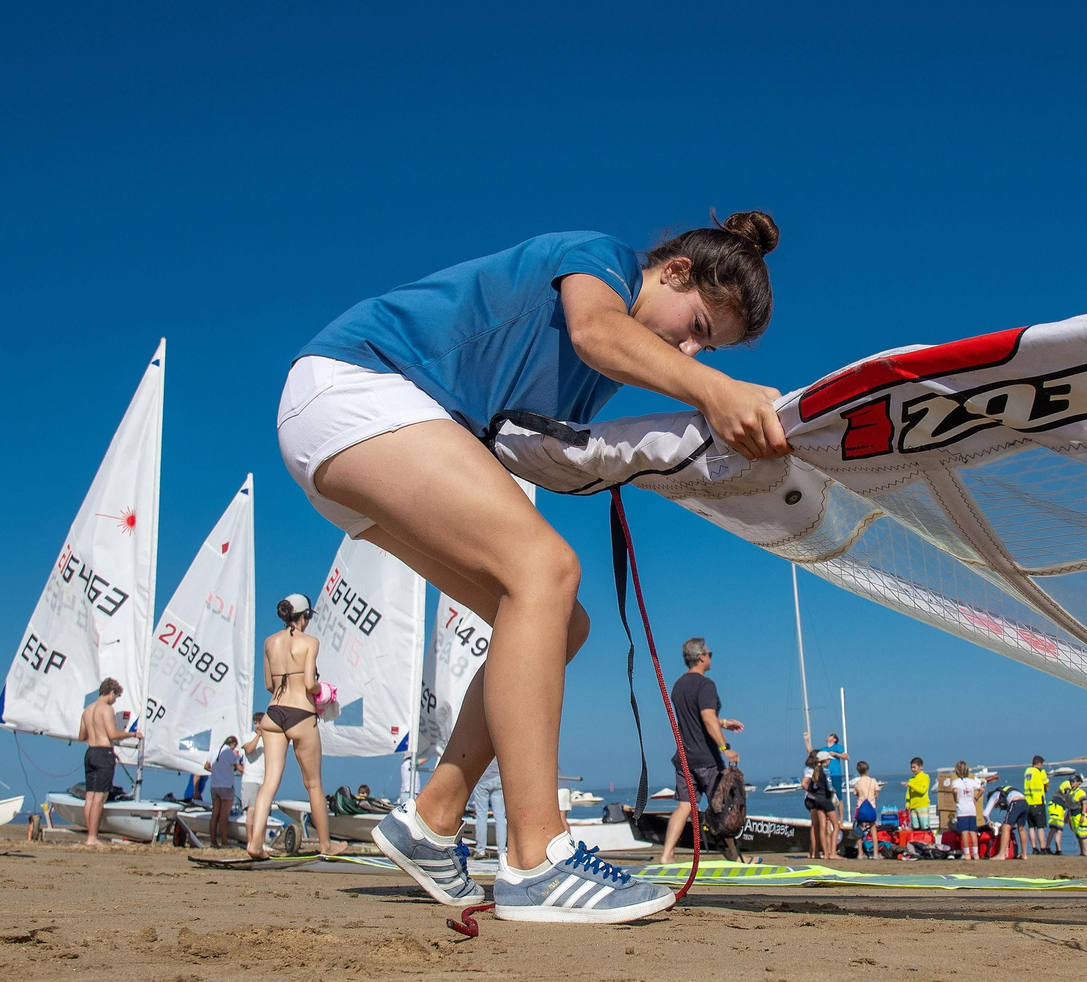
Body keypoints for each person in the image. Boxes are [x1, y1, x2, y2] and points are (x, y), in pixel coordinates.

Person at [284, 213, 785, 922]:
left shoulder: (595, 378)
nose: (693, 349)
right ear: (672, 272)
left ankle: (430, 820)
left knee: (562, 622)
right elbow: (596, 332)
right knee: (546, 568)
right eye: (699, 324)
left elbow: (537, 452)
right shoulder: (597, 259)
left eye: (710, 347)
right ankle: (536, 857)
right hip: (354, 389)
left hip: (356, 445)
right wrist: (716, 392)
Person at [244, 594, 346, 859]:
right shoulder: (310, 642)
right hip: (301, 714)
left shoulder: (269, 642)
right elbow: (311, 684)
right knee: (313, 784)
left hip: (273, 713)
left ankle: (255, 842)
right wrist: (326, 691)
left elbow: (269, 684)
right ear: (305, 616)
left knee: (269, 782)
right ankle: (326, 845)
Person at [659, 637, 745, 864]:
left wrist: (725, 722)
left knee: (685, 806)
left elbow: (696, 717)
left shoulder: (678, 685)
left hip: (685, 757)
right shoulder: (706, 685)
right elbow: (707, 718)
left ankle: (667, 855)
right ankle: (736, 858)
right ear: (701, 657)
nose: (710, 657)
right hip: (706, 758)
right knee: (722, 807)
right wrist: (725, 747)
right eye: (709, 653)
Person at [80, 677, 140, 846]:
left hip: (90, 752)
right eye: (116, 697)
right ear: (111, 692)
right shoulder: (106, 709)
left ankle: (89, 836)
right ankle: (93, 838)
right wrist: (133, 734)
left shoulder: (87, 710)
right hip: (103, 752)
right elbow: (113, 734)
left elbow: (81, 736)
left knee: (90, 796)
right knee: (100, 797)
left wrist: (94, 733)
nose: (115, 701)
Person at [204, 735, 244, 848]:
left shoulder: (214, 752)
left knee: (215, 814)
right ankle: (224, 842)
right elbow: (239, 768)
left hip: (215, 785)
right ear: (233, 745)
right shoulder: (230, 754)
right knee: (224, 816)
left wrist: (217, 771)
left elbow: (206, 766)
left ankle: (213, 841)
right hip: (226, 786)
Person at [802, 751, 839, 859]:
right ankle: (832, 853)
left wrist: (814, 793)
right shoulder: (826, 771)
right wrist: (833, 793)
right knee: (835, 826)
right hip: (825, 799)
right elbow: (829, 786)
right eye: (828, 760)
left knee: (821, 826)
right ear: (825, 761)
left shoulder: (815, 772)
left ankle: (825, 853)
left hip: (817, 799)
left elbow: (811, 786)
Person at [470, 758, 505, 860]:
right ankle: (502, 851)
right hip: (498, 777)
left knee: (481, 816)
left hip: (482, 778)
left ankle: (481, 849)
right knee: (500, 817)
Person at [948, 760, 984, 860]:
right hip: (971, 809)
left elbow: (955, 790)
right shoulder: (972, 781)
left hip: (962, 809)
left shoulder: (956, 782)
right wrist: (976, 798)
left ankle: (967, 853)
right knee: (973, 832)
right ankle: (976, 853)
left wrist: (956, 798)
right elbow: (982, 789)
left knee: (964, 832)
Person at [238, 710, 266, 822]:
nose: (258, 725)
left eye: (260, 723)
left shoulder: (269, 738)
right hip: (251, 778)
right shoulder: (248, 736)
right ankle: (250, 839)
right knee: (252, 810)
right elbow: (249, 750)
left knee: (263, 810)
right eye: (256, 723)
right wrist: (258, 736)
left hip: (264, 778)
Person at [851, 760, 880, 860]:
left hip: (861, 808)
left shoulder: (857, 783)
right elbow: (876, 795)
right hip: (871, 807)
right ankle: (875, 853)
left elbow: (857, 795)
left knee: (859, 831)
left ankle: (860, 853)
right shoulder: (873, 781)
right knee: (873, 829)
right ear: (867, 770)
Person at [1023, 755, 1050, 853]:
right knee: (1040, 827)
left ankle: (1034, 848)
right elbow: (1046, 783)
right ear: (1039, 764)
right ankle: (1043, 848)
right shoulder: (1040, 771)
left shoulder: (1027, 771)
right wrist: (1046, 788)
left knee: (1031, 827)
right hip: (1038, 802)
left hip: (1028, 803)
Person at [1060, 773, 1087, 856]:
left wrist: (1083, 815)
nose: (1072, 783)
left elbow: (1084, 803)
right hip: (1073, 816)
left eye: (1073, 781)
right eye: (1071, 781)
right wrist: (1067, 817)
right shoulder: (1070, 793)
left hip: (1079, 814)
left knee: (1083, 835)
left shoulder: (1080, 792)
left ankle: (1086, 853)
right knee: (1078, 835)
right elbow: (1069, 806)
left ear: (1078, 783)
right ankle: (1082, 852)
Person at [904, 757, 931, 836]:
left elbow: (922, 791)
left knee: (924, 828)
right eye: (911, 767)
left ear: (920, 767)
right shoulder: (911, 779)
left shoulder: (925, 777)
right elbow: (908, 793)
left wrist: (911, 785)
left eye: (914, 767)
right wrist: (907, 803)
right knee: (916, 828)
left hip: (922, 806)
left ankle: (927, 843)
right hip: (913, 807)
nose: (913, 769)